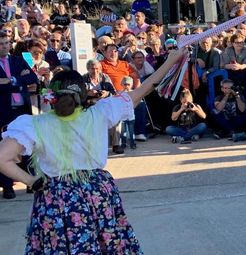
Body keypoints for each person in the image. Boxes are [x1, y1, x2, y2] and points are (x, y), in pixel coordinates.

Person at [0, 51, 181, 253]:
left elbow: (2, 158)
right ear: (83, 94)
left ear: (51, 96)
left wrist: (32, 182)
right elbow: (147, 87)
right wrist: (172, 59)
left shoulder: (34, 125)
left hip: (56, 195)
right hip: (97, 192)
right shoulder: (101, 112)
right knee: (107, 241)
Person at [0, 34, 38, 198]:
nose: (4, 46)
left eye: (7, 43)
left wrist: (10, 81)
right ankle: (8, 186)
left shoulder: (18, 61)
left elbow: (32, 77)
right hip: (3, 112)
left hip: (22, 109)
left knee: (27, 145)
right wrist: (19, 81)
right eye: (1, 44)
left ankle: (31, 182)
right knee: (4, 148)